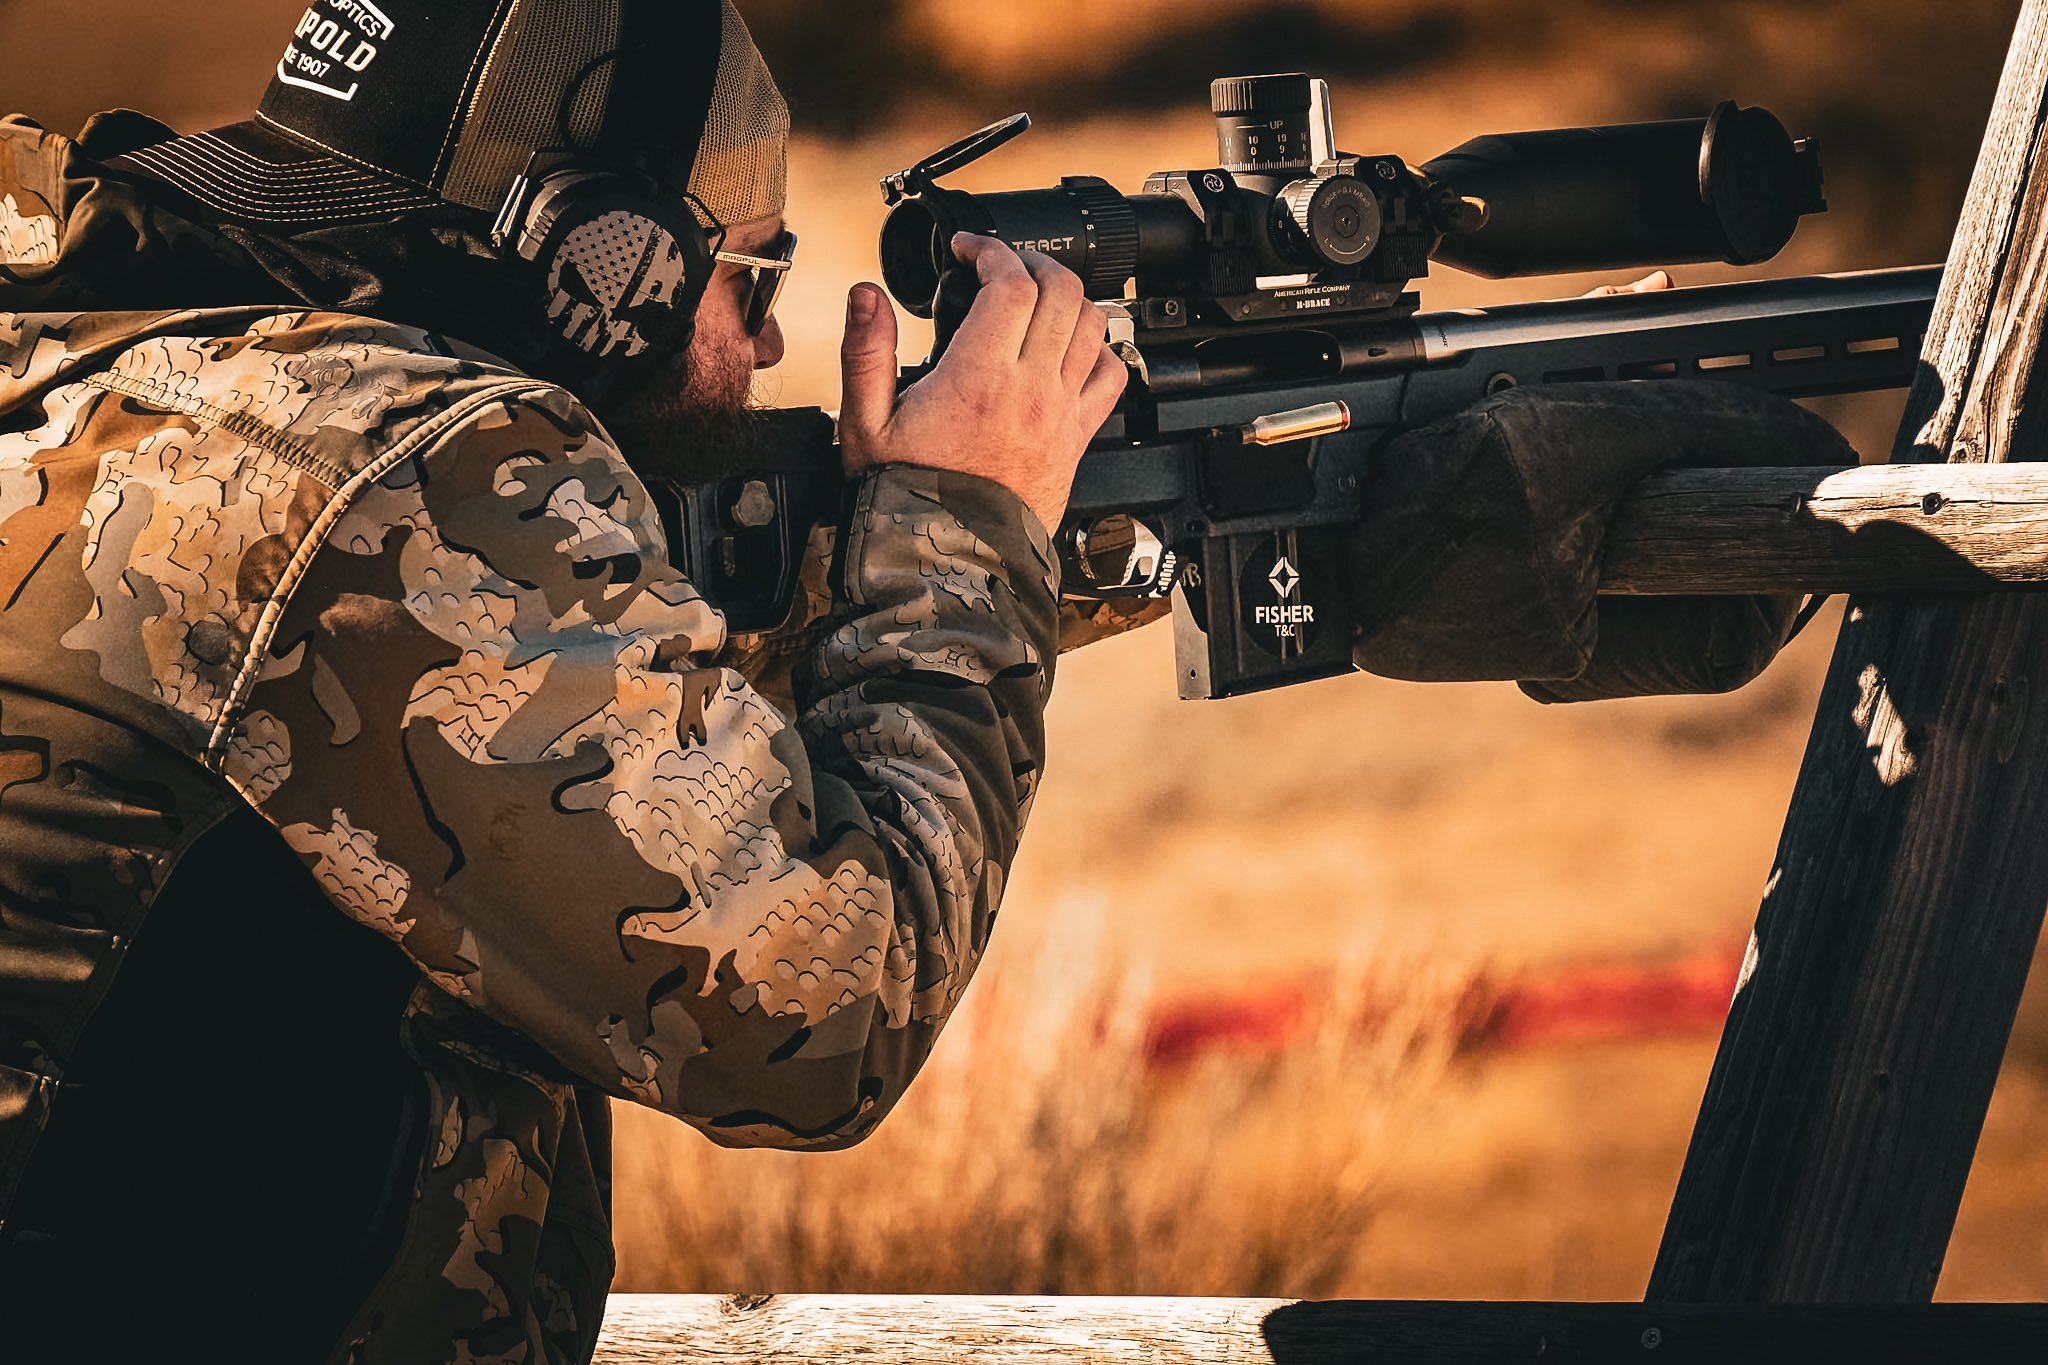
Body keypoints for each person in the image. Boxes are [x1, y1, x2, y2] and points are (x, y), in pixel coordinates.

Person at [0, 1, 1122, 1360]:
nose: (770, 348)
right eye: (752, 283)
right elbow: (826, 1011)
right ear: (613, 265)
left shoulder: (116, 334)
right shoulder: (392, 473)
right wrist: (964, 522)